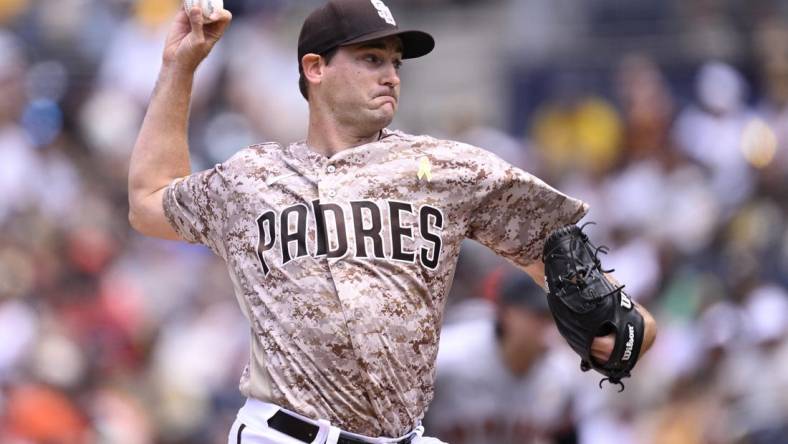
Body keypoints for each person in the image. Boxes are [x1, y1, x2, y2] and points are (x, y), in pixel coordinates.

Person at [127, 1, 657, 443]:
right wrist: (180, 66)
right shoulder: (252, 178)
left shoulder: (449, 170)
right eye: (372, 57)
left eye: (397, 62)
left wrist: (621, 319)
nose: (391, 75)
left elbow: (558, 251)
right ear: (315, 68)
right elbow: (149, 201)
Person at [425, 272, 580, 444]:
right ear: (505, 313)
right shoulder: (446, 358)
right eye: (541, 315)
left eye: (557, 319)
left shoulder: (563, 376)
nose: (551, 327)